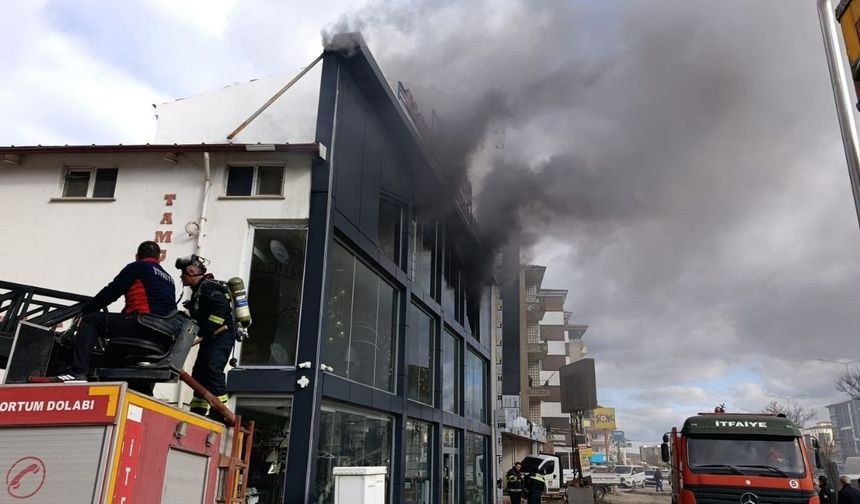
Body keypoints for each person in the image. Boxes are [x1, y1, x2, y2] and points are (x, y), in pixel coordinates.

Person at [48, 241, 175, 381]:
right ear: (158, 258)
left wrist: (86, 310)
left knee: (92, 320)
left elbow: (110, 293)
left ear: (137, 256)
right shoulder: (169, 278)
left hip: (143, 324)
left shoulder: (137, 267)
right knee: (115, 327)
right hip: (161, 333)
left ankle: (78, 372)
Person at [176, 254, 236, 423]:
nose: (182, 277)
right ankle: (199, 409)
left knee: (212, 370)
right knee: (199, 373)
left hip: (221, 336)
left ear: (192, 271)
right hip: (212, 338)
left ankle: (220, 412)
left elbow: (221, 308)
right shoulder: (199, 291)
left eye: (183, 274)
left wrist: (209, 329)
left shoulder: (208, 287)